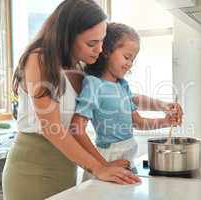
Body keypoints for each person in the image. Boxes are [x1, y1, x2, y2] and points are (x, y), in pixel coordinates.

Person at [3, 1, 141, 200]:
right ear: (67, 36)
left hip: (65, 170)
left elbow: (81, 125)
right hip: (31, 171)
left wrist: (103, 165)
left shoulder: (77, 68)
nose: (100, 50)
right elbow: (53, 128)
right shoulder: (39, 59)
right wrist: (99, 167)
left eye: (102, 41)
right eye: (92, 43)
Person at [70, 22, 182, 181]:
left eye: (133, 60)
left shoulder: (123, 85)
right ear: (107, 51)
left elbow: (138, 122)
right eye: (127, 57)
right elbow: (76, 129)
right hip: (108, 159)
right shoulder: (94, 84)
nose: (130, 64)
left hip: (128, 158)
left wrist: (165, 121)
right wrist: (103, 166)